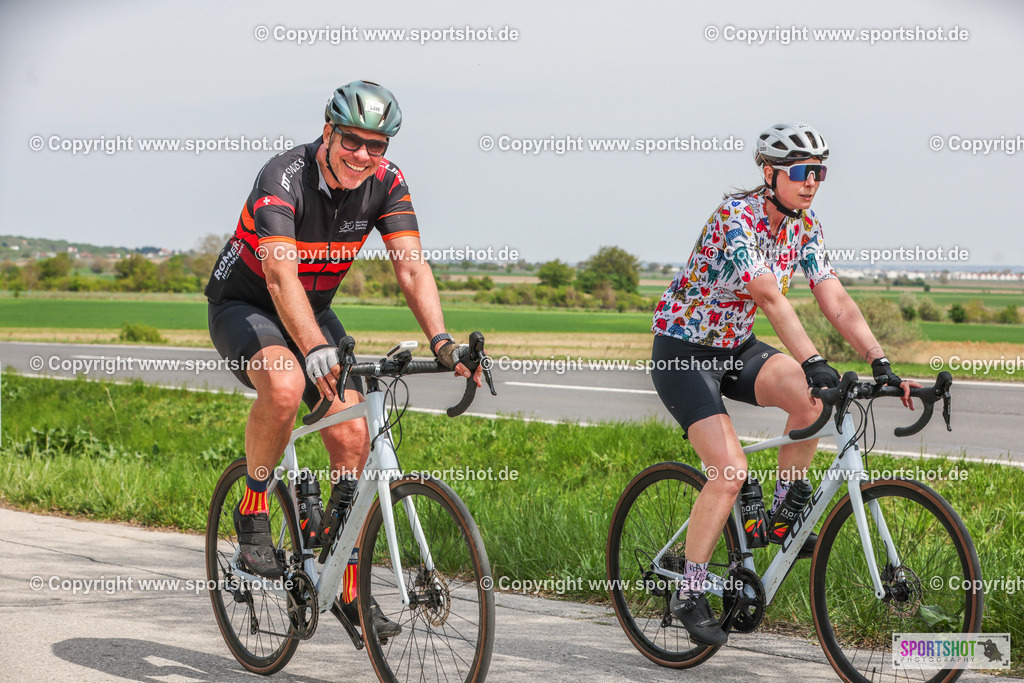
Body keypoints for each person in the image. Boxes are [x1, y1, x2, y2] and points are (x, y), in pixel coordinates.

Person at [204, 80, 482, 636]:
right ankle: (255, 508)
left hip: (314, 309)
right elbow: (281, 276)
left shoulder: (387, 182)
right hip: (247, 304)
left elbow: (411, 267)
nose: (363, 156)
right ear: (328, 131)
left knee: (354, 436)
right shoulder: (283, 177)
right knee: (284, 388)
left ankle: (345, 584)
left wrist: (442, 341)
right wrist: (311, 351)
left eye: (377, 146)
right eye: (352, 141)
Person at [649, 122, 917, 647]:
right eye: (801, 172)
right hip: (684, 351)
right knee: (727, 473)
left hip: (735, 347)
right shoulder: (737, 217)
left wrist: (879, 360)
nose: (812, 182)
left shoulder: (805, 226)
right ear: (770, 174)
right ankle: (691, 590)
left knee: (813, 399)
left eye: (820, 172)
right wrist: (813, 357)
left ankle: (781, 513)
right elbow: (771, 298)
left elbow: (834, 299)